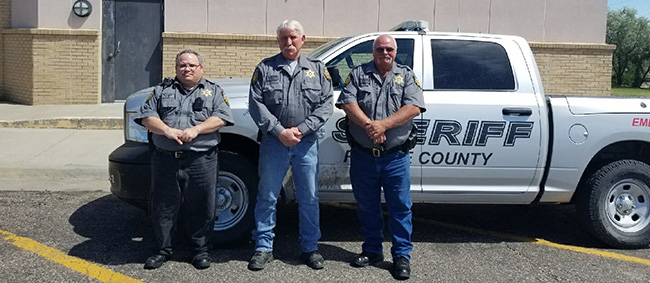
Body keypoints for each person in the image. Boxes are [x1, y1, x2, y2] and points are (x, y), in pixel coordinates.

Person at [335, 35, 425, 280]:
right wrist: (370, 126)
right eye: (379, 49)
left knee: (400, 207)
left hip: (395, 157)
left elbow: (414, 106)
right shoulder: (358, 74)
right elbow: (347, 101)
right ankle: (372, 250)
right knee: (367, 206)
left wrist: (383, 125)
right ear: (373, 51)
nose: (384, 52)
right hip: (364, 156)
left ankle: (401, 256)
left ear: (395, 52)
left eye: (389, 49)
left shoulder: (406, 75)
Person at [135, 49, 234, 270]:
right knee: (163, 205)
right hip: (165, 158)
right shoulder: (161, 90)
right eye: (182, 65)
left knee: (202, 205)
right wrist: (167, 131)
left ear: (201, 68)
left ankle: (200, 251)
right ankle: (162, 250)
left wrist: (197, 129)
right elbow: (147, 117)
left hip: (201, 159)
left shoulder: (214, 91)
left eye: (191, 65)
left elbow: (222, 117)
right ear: (176, 68)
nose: (186, 69)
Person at [247, 19, 333, 271]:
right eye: (284, 38)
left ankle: (310, 248)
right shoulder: (265, 68)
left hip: (306, 143)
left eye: (293, 37)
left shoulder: (317, 69)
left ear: (303, 40)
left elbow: (326, 104)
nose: (289, 42)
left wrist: (301, 129)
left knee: (309, 197)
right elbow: (256, 104)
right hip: (275, 143)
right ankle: (263, 247)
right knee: (267, 196)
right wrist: (279, 131)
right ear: (278, 41)